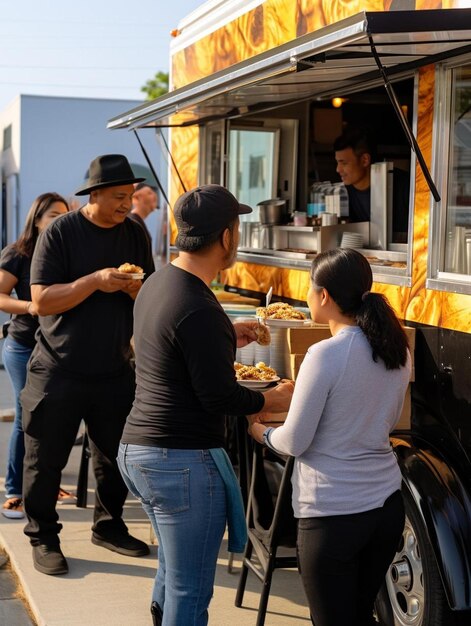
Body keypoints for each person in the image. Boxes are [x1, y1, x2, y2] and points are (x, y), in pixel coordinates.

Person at [117, 184, 294, 626]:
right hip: (179, 462)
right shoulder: (198, 305)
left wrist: (224, 337)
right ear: (228, 237)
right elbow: (218, 395)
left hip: (137, 452)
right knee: (190, 591)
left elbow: (162, 345)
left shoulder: (158, 282)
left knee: (172, 576)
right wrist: (270, 398)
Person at [248, 247, 411, 626]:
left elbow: (294, 442)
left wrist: (260, 431)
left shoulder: (325, 353)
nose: (306, 296)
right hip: (385, 507)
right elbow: (360, 413)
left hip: (333, 514)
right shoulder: (396, 347)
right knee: (360, 614)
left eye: (309, 288)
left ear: (324, 296)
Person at [20, 154, 155, 576]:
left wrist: (135, 289)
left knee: (115, 458)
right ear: (93, 194)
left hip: (115, 365)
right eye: (118, 197)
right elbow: (41, 301)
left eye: (129, 196)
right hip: (57, 366)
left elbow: (147, 294)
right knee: (45, 459)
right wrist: (95, 282)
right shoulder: (61, 232)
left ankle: (109, 526)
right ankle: (43, 537)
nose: (126, 204)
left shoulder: (135, 232)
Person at [1, 193, 70, 519]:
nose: (59, 221)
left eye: (64, 215)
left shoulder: (66, 251)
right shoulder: (18, 253)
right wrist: (32, 306)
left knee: (54, 418)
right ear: (37, 218)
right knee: (26, 415)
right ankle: (15, 489)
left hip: (57, 347)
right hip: (23, 345)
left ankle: (46, 483)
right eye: (53, 215)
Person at [333, 126, 410, 242]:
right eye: (337, 163)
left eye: (343, 163)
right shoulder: (343, 193)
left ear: (365, 160)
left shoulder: (405, 185)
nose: (338, 169)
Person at [129, 182, 158, 249]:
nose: (154, 196)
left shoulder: (137, 222)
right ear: (136, 198)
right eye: (149, 193)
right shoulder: (133, 223)